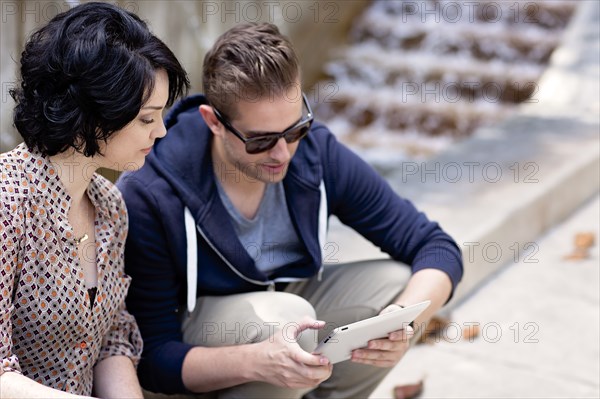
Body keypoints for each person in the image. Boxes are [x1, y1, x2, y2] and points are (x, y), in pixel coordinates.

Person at [118, 22, 462, 399]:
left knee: (396, 286)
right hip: (198, 334)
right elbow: (152, 361)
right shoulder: (150, 192)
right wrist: (258, 361)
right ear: (213, 121)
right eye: (261, 140)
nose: (283, 153)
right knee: (288, 320)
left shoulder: (316, 152)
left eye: (295, 128)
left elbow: (436, 246)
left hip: (283, 307)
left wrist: (403, 324)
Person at [0, 3, 189, 398]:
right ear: (93, 115)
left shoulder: (110, 207)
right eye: (146, 118)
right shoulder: (8, 201)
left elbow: (111, 340)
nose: (162, 132)